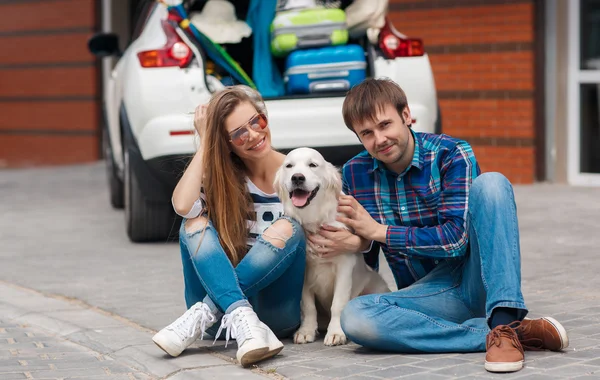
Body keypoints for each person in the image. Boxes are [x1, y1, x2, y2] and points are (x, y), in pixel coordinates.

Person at [307, 78, 568, 373]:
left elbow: (455, 240)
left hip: (476, 277)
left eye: (385, 125)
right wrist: (361, 242)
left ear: (406, 115)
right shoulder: (356, 172)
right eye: (367, 133)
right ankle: (505, 332)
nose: (379, 139)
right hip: (425, 295)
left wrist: (379, 232)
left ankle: (504, 318)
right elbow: (366, 261)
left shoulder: (451, 154)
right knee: (355, 317)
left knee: (492, 184)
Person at [152, 85, 306, 367]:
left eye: (256, 122)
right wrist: (206, 138)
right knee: (194, 222)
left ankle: (213, 310)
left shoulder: (299, 173)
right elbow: (183, 206)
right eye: (238, 134)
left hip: (276, 313)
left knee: (289, 228)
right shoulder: (223, 180)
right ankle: (239, 314)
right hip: (219, 325)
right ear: (225, 143)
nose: (254, 135)